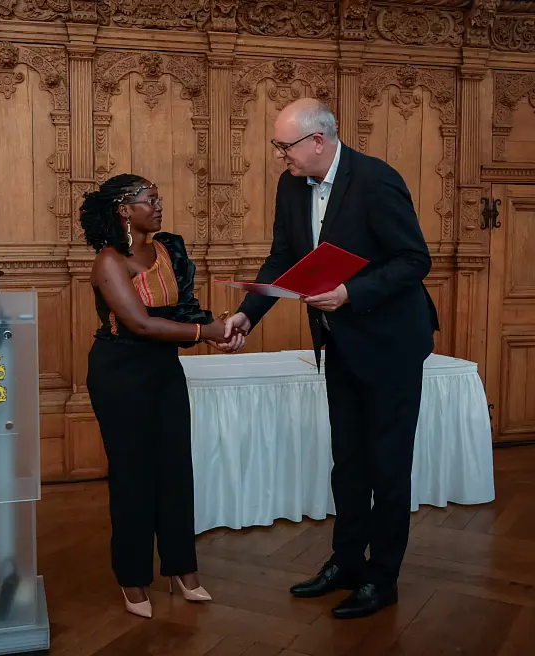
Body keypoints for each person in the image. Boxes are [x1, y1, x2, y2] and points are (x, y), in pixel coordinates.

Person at [221, 98, 439, 619]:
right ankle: (346, 563)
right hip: (338, 343)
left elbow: (415, 260)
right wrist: (249, 315)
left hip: (390, 344)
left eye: (285, 146)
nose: (280, 157)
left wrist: (351, 293)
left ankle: (382, 579)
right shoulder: (291, 185)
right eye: (278, 146)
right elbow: (283, 257)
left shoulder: (376, 179)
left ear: (318, 141)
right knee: (348, 464)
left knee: (387, 466)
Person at [80, 173, 228, 619]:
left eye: (158, 198)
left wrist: (218, 329)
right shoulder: (108, 261)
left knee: (176, 469)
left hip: (164, 367)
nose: (158, 206)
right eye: (150, 200)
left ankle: (183, 569)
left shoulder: (168, 250)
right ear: (125, 209)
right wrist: (208, 332)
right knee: (133, 474)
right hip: (119, 371)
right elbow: (140, 324)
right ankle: (133, 578)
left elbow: (180, 312)